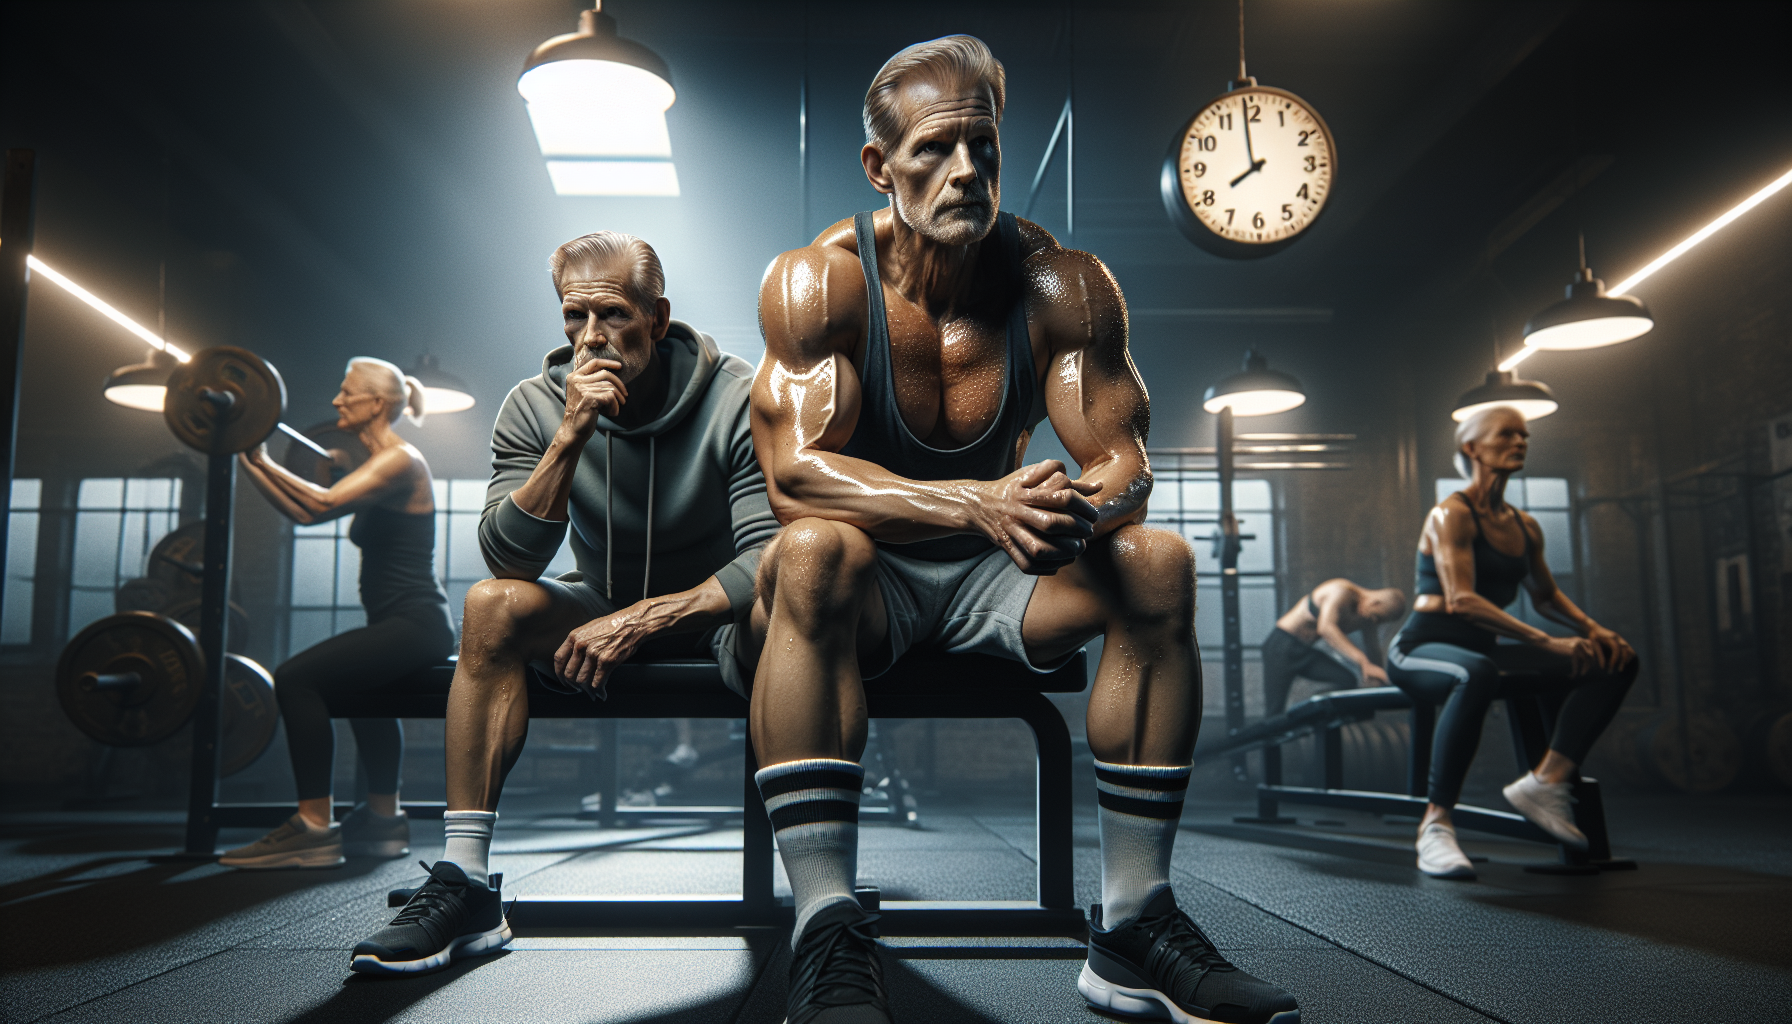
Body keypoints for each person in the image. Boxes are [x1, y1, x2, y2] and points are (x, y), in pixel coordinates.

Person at [744, 36, 1299, 1024]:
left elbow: (1124, 458)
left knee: (1157, 563)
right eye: (933, 152)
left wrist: (1071, 511)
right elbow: (796, 474)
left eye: (984, 149)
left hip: (1004, 578)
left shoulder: (1061, 286)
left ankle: (1132, 925)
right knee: (809, 549)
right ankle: (826, 924)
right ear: (880, 167)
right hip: (865, 579)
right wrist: (977, 501)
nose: (965, 172)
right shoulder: (817, 284)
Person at [348, 231, 779, 975]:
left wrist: (651, 616)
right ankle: (465, 882)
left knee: (793, 600)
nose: (591, 337)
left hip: (717, 616)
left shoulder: (740, 394)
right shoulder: (535, 405)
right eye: (573, 318)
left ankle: (818, 890)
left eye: (610, 314)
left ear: (657, 315)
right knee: (490, 605)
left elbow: (767, 554)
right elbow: (509, 559)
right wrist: (572, 433)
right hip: (598, 602)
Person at [219, 359, 455, 869]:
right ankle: (382, 820)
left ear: (376, 404)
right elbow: (304, 513)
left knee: (295, 678)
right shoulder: (376, 464)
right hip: (403, 623)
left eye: (347, 393)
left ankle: (312, 827)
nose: (336, 401)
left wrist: (252, 451)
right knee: (360, 692)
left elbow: (321, 503)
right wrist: (249, 456)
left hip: (417, 623)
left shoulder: (400, 461)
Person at [1388, 406, 1637, 880]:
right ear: (1471, 448)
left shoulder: (1525, 526)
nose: (1521, 442)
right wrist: (1548, 643)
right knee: (1474, 672)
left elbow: (1545, 596)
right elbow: (1462, 600)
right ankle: (1435, 824)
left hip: (1482, 649)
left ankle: (1547, 781)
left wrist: (1592, 630)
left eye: (1524, 435)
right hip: (1420, 648)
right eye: (1507, 434)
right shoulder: (1450, 515)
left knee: (1616, 661)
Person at [1261, 580, 1407, 715]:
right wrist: (1362, 661)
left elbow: (1373, 648)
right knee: (1274, 713)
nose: (1375, 622)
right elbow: (1325, 628)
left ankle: (1315, 712)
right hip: (1281, 646)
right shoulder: (1341, 591)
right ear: (1375, 603)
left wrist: (1381, 678)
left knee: (1346, 680)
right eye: (1377, 617)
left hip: (1303, 651)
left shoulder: (1367, 617)